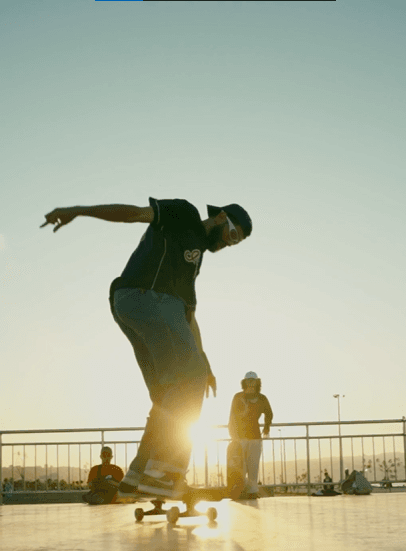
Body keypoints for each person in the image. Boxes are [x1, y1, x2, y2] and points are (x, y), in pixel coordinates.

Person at [41, 198, 252, 500]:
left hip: (131, 305)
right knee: (190, 379)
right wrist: (79, 211)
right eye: (232, 235)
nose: (229, 245)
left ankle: (137, 475)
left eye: (237, 243)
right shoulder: (185, 214)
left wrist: (204, 361)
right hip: (147, 296)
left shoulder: (194, 262)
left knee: (166, 398)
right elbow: (135, 215)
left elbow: (187, 317)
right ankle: (165, 473)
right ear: (220, 218)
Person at [228, 371, 273, 499]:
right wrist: (232, 434)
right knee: (240, 466)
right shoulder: (238, 397)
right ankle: (240, 490)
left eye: (253, 381)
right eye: (249, 381)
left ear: (257, 382)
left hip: (255, 437)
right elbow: (232, 416)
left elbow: (269, 413)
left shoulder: (262, 398)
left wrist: (266, 427)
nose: (251, 383)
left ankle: (252, 491)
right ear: (244, 382)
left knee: (253, 466)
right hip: (239, 437)